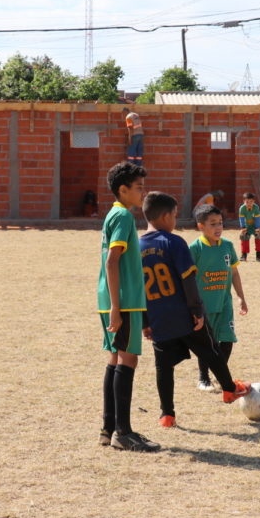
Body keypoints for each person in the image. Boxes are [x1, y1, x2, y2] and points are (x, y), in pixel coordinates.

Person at [139, 191, 252, 428]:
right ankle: (230, 389)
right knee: (210, 350)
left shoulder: (138, 247)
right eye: (175, 215)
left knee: (163, 366)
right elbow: (189, 280)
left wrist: (144, 322)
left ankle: (167, 415)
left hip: (158, 318)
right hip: (184, 314)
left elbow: (138, 290)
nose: (176, 220)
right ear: (168, 215)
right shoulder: (174, 242)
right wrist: (197, 311)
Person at [96, 162, 159, 452]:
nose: (142, 192)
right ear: (123, 190)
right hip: (124, 302)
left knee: (114, 359)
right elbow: (112, 260)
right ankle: (124, 432)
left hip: (115, 300)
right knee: (128, 359)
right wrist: (117, 307)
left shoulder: (115, 213)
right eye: (138, 188)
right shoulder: (122, 216)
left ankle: (109, 428)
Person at [190, 203, 247, 392]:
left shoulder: (228, 246)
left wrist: (241, 297)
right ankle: (203, 377)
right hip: (204, 306)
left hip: (224, 303)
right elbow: (188, 278)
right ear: (201, 226)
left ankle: (219, 373)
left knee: (228, 339)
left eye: (220, 223)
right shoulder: (195, 249)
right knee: (207, 343)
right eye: (213, 224)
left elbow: (235, 274)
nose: (218, 228)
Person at [238, 192, 260, 262]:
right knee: (243, 236)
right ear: (244, 201)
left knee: (259, 235)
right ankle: (244, 255)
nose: (249, 204)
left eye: (251, 202)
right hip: (246, 226)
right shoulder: (242, 209)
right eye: (247, 202)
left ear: (254, 201)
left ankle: (258, 256)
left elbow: (258, 219)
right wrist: (243, 227)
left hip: (255, 225)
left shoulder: (256, 208)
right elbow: (242, 219)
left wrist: (257, 228)